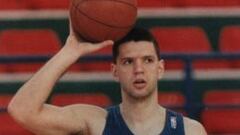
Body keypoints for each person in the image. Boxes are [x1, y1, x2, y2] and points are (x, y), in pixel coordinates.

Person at [8, 19, 207, 135]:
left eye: (147, 60)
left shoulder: (190, 131)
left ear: (160, 68)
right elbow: (22, 110)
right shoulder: (95, 122)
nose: (139, 69)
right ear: (114, 71)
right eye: (128, 62)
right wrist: (69, 52)